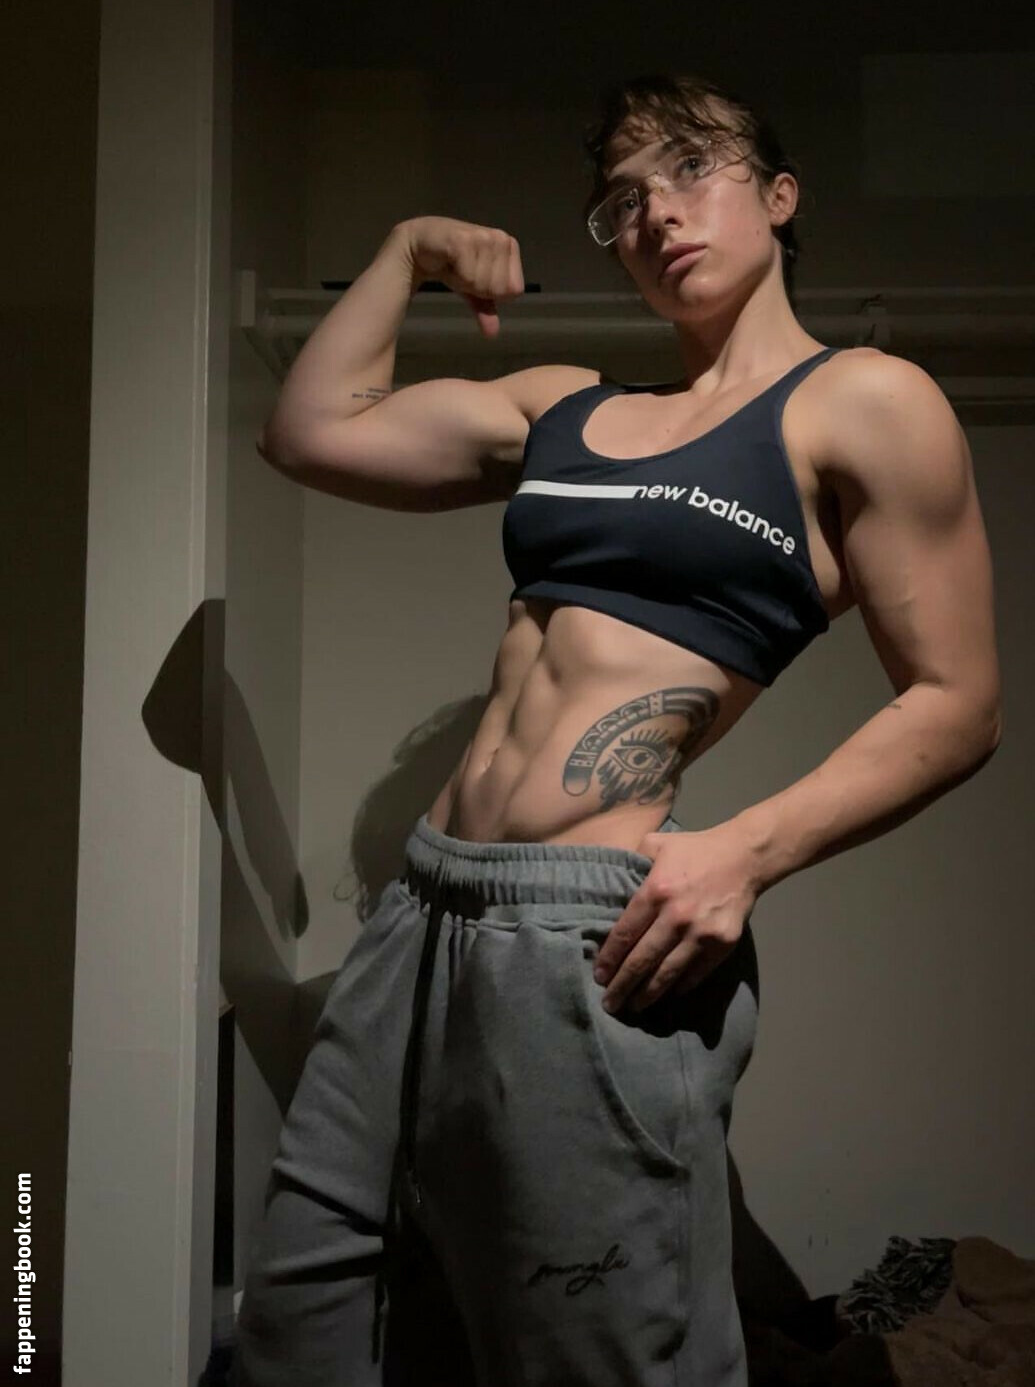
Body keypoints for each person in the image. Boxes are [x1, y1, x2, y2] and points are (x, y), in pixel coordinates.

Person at [231, 73, 1002, 1387]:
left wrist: (745, 852)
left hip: (575, 931)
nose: (655, 212)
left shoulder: (863, 402)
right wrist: (406, 250)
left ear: (780, 195)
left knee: (597, 1348)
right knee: (308, 1314)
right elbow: (307, 433)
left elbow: (958, 701)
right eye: (623, 199)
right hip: (420, 913)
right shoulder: (566, 405)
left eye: (692, 167)